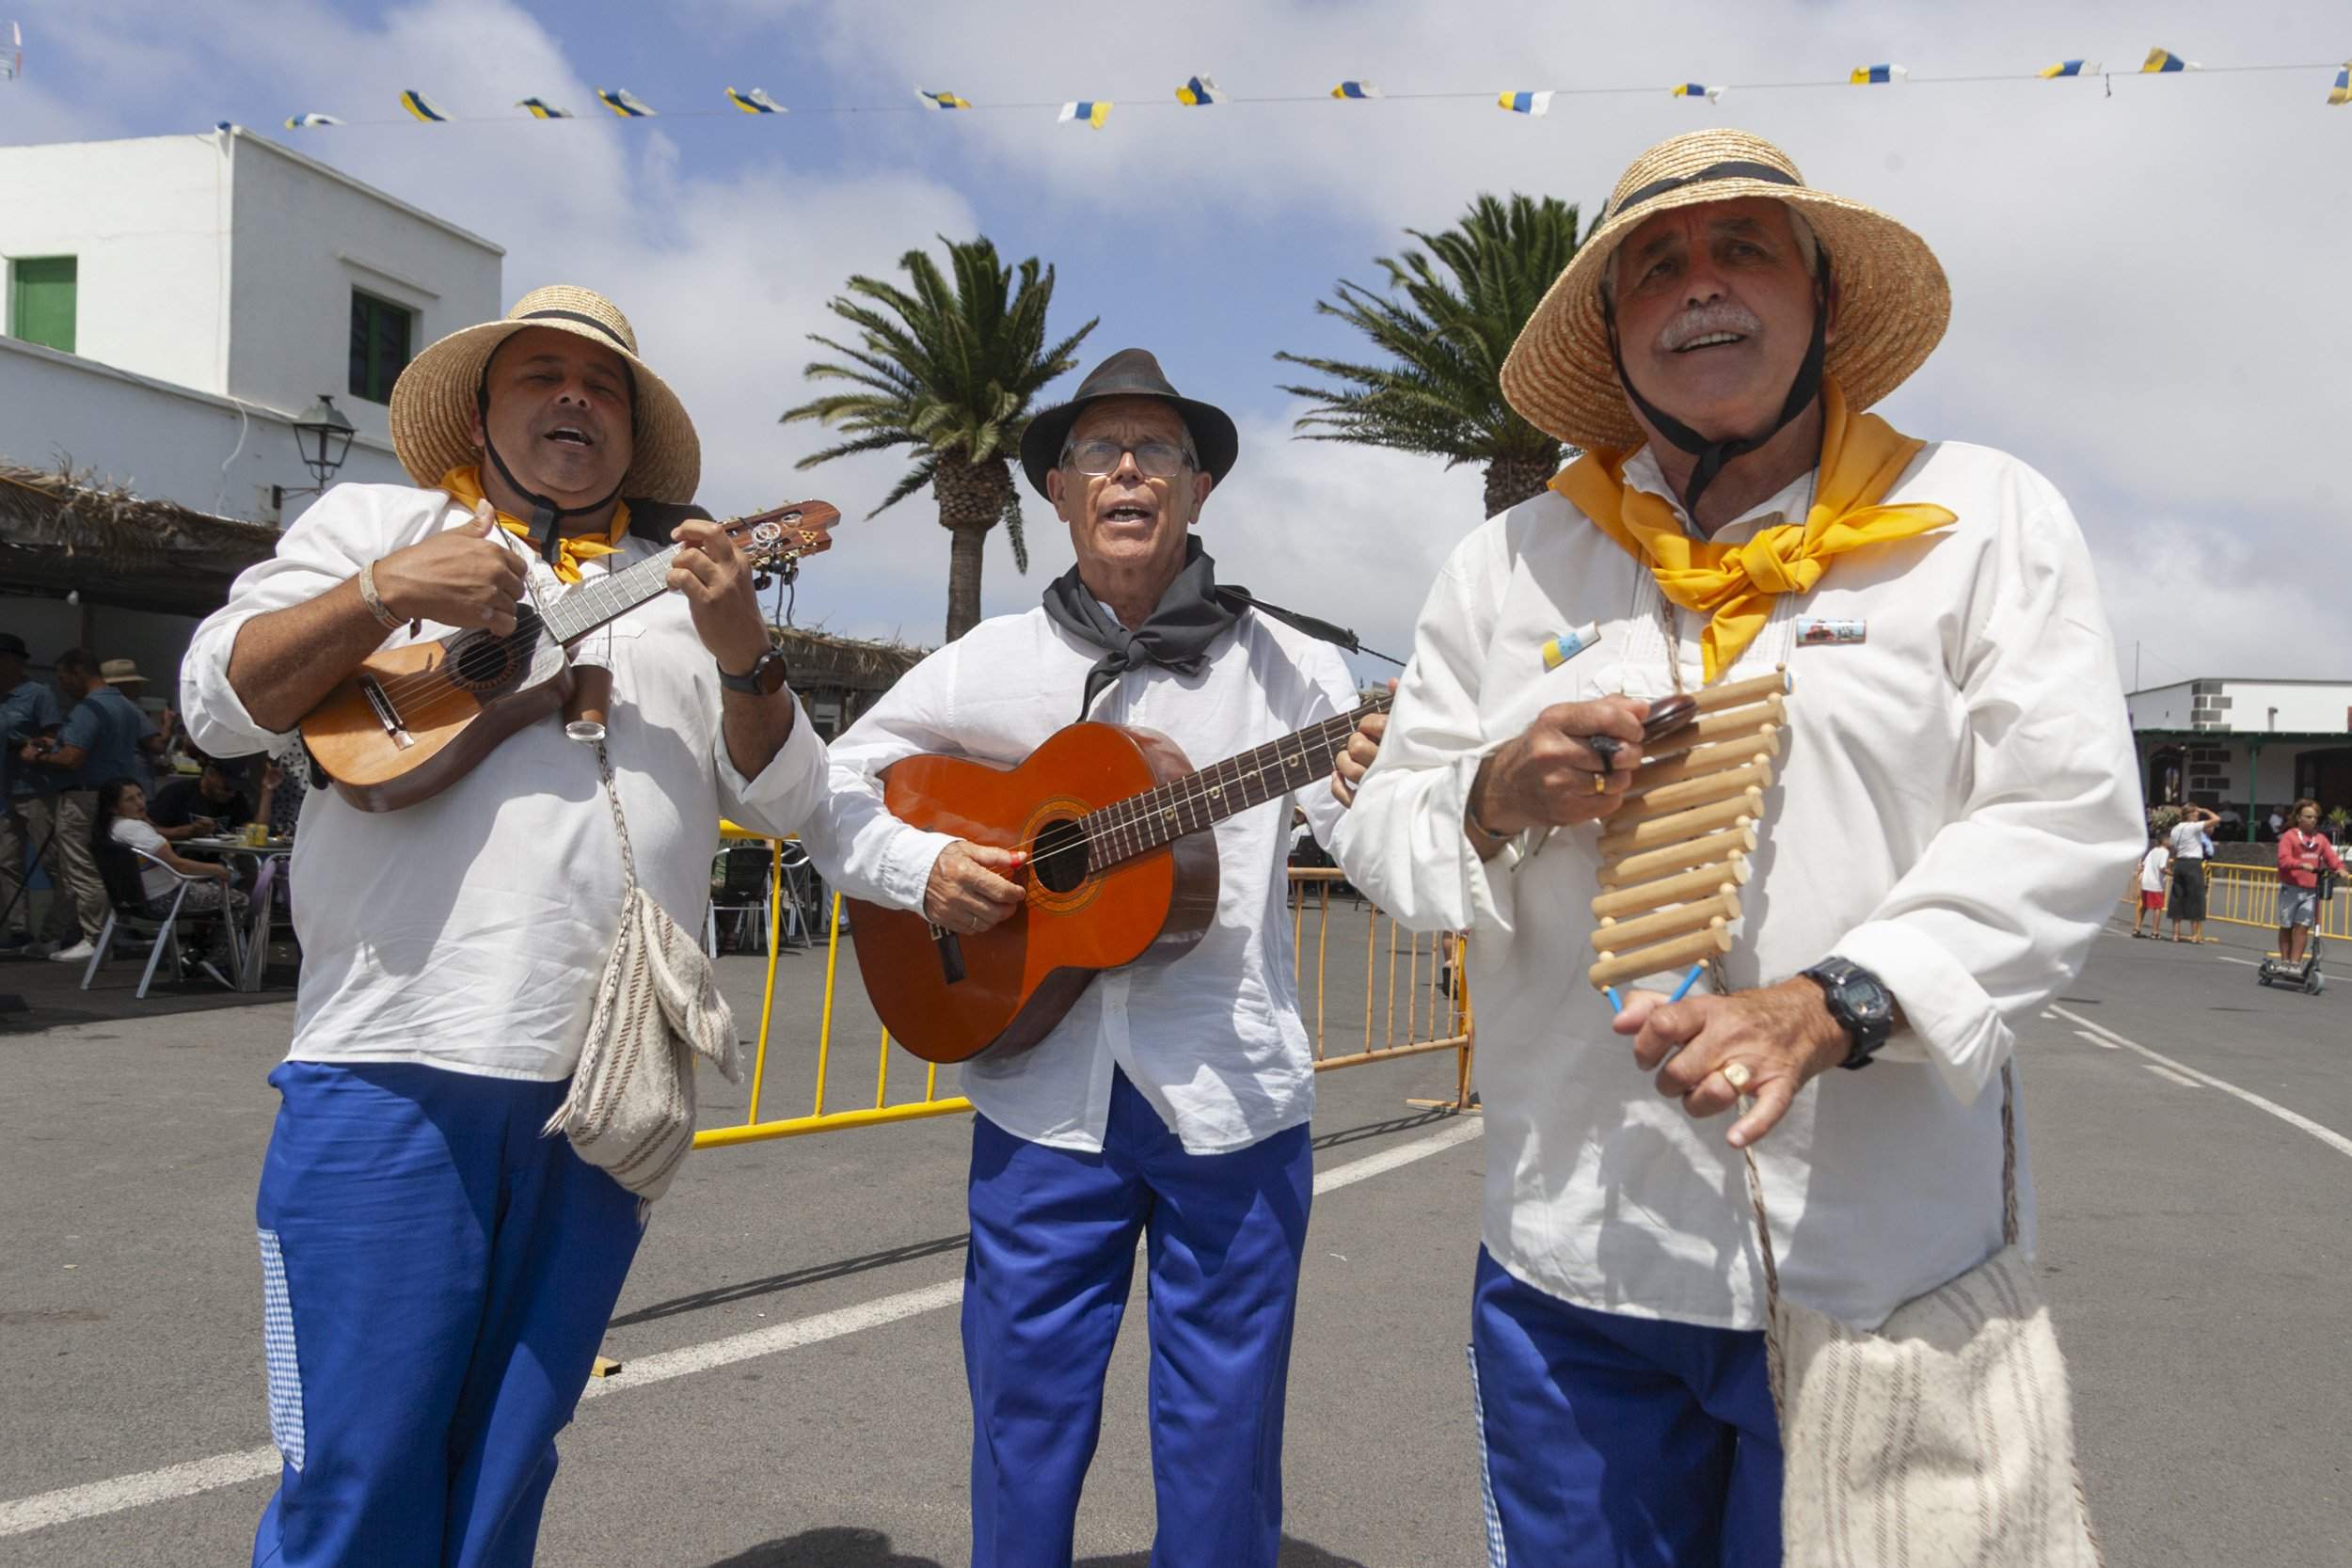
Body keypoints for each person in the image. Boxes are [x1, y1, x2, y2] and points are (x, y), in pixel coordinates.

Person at [1332, 129, 2141, 1564]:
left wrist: (1833, 1000)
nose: (1700, 287)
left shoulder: (1983, 522)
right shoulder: (1507, 563)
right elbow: (1385, 831)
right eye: (1657, 266)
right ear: (1615, 330)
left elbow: (2066, 818)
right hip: (1575, 1260)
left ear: (1822, 299)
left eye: (1744, 249)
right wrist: (1494, 791)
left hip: (1873, 1262)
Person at [180, 284, 834, 1568]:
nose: (573, 399)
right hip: (386, 1068)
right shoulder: (377, 518)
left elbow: (798, 797)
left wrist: (744, 650)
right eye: (539, 376)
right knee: (359, 1469)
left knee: (506, 1466)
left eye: (602, 387)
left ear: (636, 438)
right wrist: (380, 589)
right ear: (480, 411)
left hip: (600, 1096)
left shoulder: (688, 596)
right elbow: (220, 699)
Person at [796, 348, 1367, 1568]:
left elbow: (1379, 839)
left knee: (1225, 1438)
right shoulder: (986, 663)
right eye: (1098, 451)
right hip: (1040, 1100)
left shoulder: (1300, 670)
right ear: (1054, 490)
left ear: (1199, 486)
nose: (1126, 470)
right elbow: (834, 787)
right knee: (1021, 1424)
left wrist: (1405, 789)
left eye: (1156, 449)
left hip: (1232, 1105)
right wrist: (918, 870)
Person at [17, 647, 149, 961]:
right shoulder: (127, 707)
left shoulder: (88, 708)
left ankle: (95, 938)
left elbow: (73, 758)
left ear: (79, 672)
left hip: (84, 795)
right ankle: (76, 935)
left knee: (81, 869)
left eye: (64, 678)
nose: (62, 685)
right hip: (114, 794)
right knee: (104, 866)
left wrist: (37, 757)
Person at [93, 774, 246, 984]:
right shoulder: (137, 830)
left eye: (140, 795)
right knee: (238, 900)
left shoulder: (110, 829)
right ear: (113, 807)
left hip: (130, 902)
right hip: (166, 899)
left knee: (211, 891)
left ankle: (197, 953)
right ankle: (218, 960)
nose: (139, 802)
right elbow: (178, 864)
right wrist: (217, 869)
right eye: (130, 799)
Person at [0, 632, 66, 951]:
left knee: (51, 860)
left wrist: (28, 745)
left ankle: (59, 928)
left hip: (37, 788)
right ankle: (17, 928)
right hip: (6, 788)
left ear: (13, 662)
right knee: (6, 860)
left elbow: (53, 737)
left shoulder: (38, 694)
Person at [2276, 799, 2343, 967]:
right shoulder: (2289, 837)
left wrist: (2340, 868)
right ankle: (2284, 961)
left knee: (2302, 927)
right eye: (2308, 816)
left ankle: (2295, 963)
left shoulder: (2320, 839)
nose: (2313, 820)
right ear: (2299, 817)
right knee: (2286, 926)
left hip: (2311, 890)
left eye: (2315, 817)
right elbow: (2283, 860)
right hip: (2290, 889)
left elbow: (2331, 858)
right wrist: (2300, 864)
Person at [148, 757, 278, 842]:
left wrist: (267, 791)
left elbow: (256, 835)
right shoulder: (176, 792)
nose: (232, 794)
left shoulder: (236, 798)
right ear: (210, 773)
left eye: (236, 789)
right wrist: (188, 831)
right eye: (227, 788)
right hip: (177, 866)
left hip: (218, 869)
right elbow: (147, 831)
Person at [2167, 802, 2218, 943]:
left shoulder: (2175, 829)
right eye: (2195, 812)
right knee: (2196, 897)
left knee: (2177, 896)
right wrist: (2206, 809)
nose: (2198, 814)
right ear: (2190, 814)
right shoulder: (2193, 827)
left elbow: (2172, 846)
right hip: (2193, 863)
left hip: (2180, 862)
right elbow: (2216, 819)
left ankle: (2175, 934)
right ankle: (2195, 934)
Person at [2133, 829, 2170, 939]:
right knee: (2157, 908)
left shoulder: (2152, 851)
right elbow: (2162, 868)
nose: (2170, 842)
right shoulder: (2165, 852)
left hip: (2146, 882)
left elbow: (2143, 865)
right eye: (2169, 839)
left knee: (2144, 906)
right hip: (2156, 884)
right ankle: (2155, 931)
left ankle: (2137, 928)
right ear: (2164, 841)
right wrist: (2172, 873)